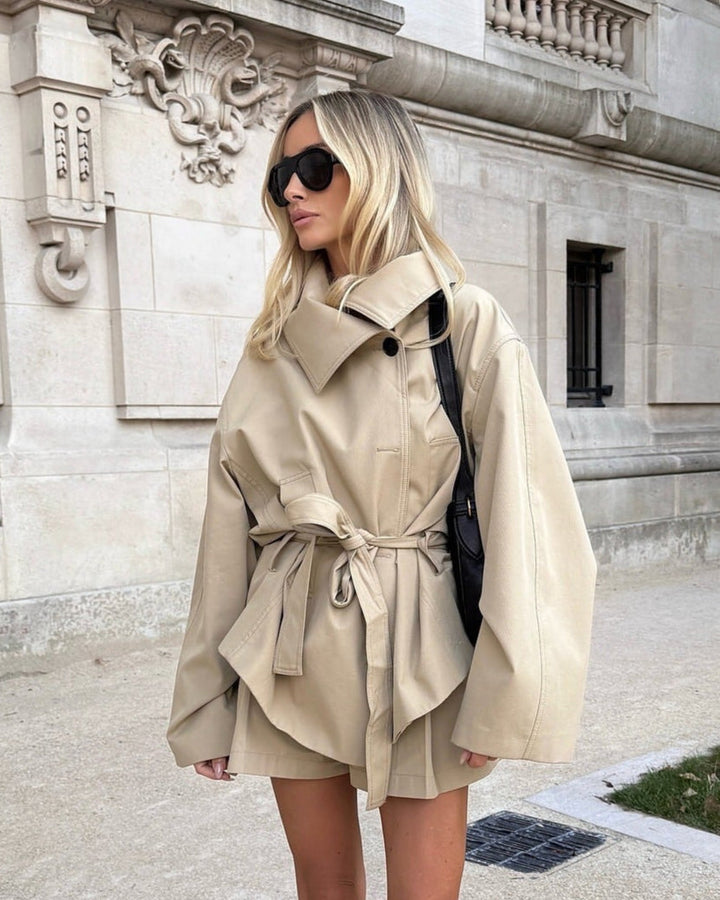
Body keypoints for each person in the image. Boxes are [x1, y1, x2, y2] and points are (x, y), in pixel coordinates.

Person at [167, 89, 596, 900]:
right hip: (288, 647)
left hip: (421, 648)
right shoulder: (270, 344)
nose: (293, 189)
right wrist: (205, 699)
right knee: (321, 891)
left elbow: (530, 520)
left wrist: (507, 691)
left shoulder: (461, 322)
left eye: (317, 167)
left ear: (379, 173)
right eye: (281, 176)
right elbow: (229, 534)